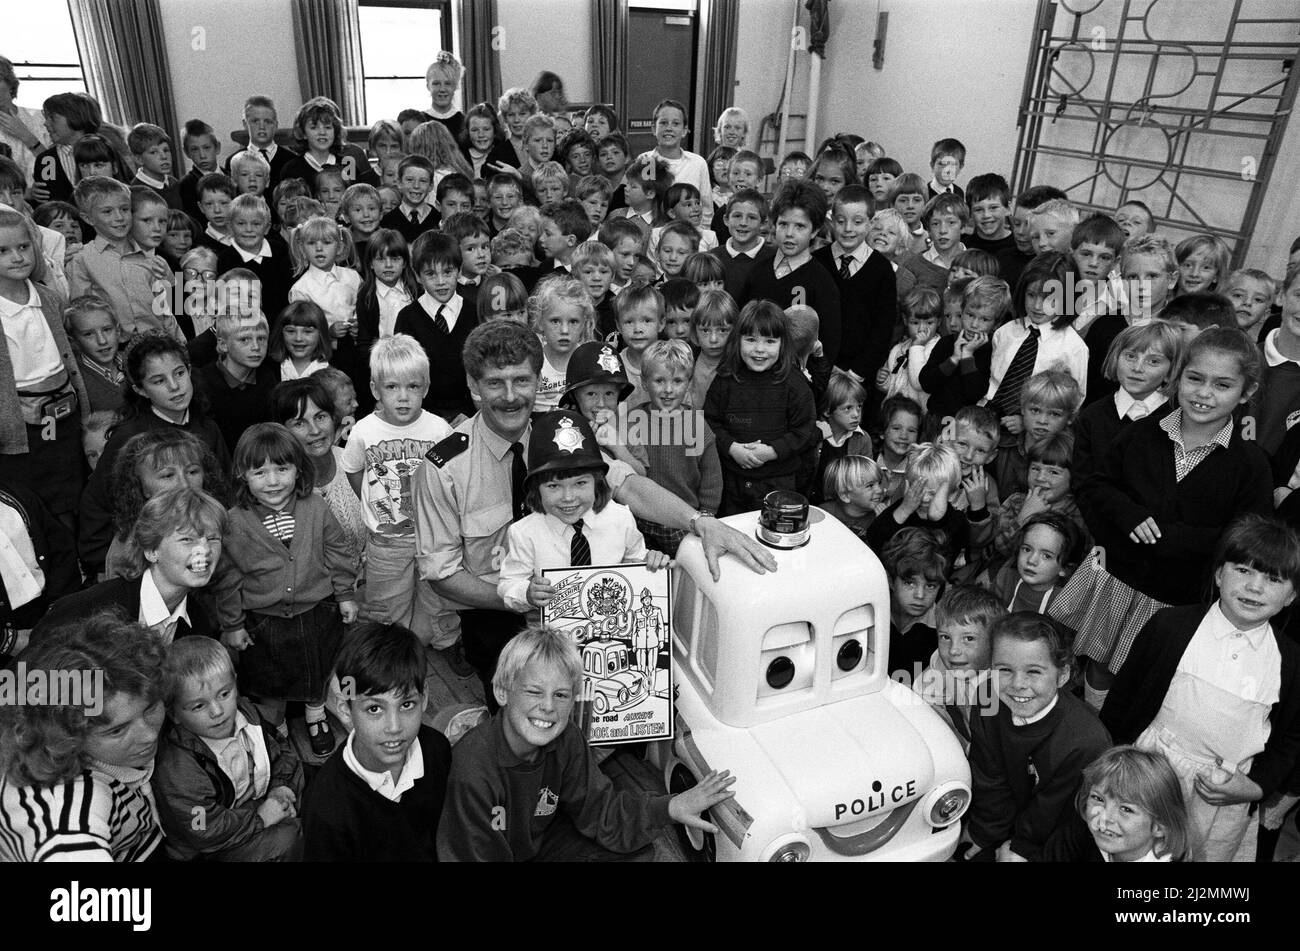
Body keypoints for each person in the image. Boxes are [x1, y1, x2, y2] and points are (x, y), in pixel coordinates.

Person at [412, 320, 777, 706]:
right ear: (472, 385)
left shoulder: (564, 433)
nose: (510, 396)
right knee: (517, 719)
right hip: (497, 616)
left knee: (600, 703)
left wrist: (699, 521)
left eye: (521, 381)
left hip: (588, 614)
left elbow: (627, 485)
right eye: (494, 383)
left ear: (538, 380)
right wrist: (522, 598)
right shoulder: (444, 469)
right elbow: (441, 573)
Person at [437, 622, 733, 861]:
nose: (548, 707)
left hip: (540, 841)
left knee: (639, 854)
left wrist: (670, 807)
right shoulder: (472, 772)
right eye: (534, 692)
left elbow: (601, 810)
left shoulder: (567, 738)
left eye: (561, 695)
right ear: (502, 693)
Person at [1101, 514, 1300, 861]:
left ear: (1291, 596)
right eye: (1243, 570)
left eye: (1272, 579)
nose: (1255, 587)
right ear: (1219, 573)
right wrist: (1111, 761)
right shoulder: (1169, 627)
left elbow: (1292, 737)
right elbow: (1122, 700)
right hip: (1148, 775)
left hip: (1221, 799)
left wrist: (1255, 787)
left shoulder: (1291, 661)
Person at [214, 424, 359, 757]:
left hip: (317, 610)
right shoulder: (234, 521)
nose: (273, 480)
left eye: (282, 469)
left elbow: (337, 550)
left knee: (318, 668)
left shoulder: (315, 507)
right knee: (270, 679)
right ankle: (275, 725)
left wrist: (346, 593)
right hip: (264, 620)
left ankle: (316, 713)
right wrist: (232, 625)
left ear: (298, 468)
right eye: (260, 471)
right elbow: (228, 577)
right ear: (242, 474)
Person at [0, 613, 167, 861]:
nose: (150, 735)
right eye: (117, 730)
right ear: (66, 734)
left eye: (150, 708)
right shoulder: (66, 821)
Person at [964, 612, 1111, 862]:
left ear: (1062, 675)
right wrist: (983, 833)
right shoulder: (987, 697)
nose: (1018, 684)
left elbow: (1055, 811)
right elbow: (988, 776)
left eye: (1033, 671)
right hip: (995, 815)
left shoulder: (1087, 742)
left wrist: (1021, 848)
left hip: (1050, 838)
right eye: (1004, 670)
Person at [341, 335, 457, 646]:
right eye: (392, 387)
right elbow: (354, 472)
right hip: (387, 541)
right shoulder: (364, 431)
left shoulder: (439, 430)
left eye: (412, 387)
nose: (403, 397)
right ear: (375, 389)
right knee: (387, 605)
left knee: (437, 599)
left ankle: (439, 643)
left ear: (426, 387)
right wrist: (374, 503)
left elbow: (450, 478)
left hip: (433, 536)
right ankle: (389, 650)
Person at [304, 621, 453, 861]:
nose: (394, 727)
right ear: (345, 709)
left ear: (424, 698)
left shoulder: (436, 749)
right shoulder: (327, 806)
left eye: (406, 705)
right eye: (374, 708)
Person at [498, 409, 670, 615]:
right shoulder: (524, 533)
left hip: (613, 628)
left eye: (580, 483)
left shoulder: (621, 518)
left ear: (597, 481)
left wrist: (650, 563)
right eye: (553, 486)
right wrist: (526, 593)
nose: (568, 497)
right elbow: (508, 584)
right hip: (554, 638)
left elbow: (635, 561)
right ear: (536, 488)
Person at [153, 636, 304, 861]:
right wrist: (261, 818)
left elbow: (283, 751)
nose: (217, 711)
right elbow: (203, 828)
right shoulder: (178, 767)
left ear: (236, 685)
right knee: (288, 839)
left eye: (224, 694)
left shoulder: (251, 715)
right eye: (198, 706)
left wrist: (282, 790)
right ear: (174, 714)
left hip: (254, 808)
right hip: (208, 848)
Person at [704, 299, 817, 516]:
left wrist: (772, 451)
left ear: (783, 344)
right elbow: (709, 421)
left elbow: (805, 430)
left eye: (769, 341)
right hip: (731, 480)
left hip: (779, 482)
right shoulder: (726, 378)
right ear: (737, 341)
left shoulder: (794, 383)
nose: (759, 349)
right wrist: (732, 448)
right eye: (751, 339)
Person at [628, 340, 722, 554]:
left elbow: (712, 476)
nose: (668, 390)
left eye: (678, 381)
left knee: (688, 569)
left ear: (689, 383)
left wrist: (706, 516)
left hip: (684, 519)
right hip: (642, 516)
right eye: (659, 381)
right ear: (644, 382)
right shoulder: (634, 421)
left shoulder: (695, 425)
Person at [271, 377, 366, 567]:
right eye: (299, 423)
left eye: (320, 417)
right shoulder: (274, 484)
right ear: (283, 431)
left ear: (333, 418)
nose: (314, 430)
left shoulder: (357, 464)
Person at [1041, 745, 1190, 862]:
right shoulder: (1074, 837)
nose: (1104, 818)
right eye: (1098, 799)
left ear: (1160, 826)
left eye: (1126, 809)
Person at [1072, 321, 1181, 481]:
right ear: (1116, 359)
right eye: (1130, 356)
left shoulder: (1179, 417)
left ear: (1170, 371)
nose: (1137, 368)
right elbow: (1083, 481)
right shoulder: (1092, 417)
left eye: (1153, 361)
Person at [394, 231, 477, 422]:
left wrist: (471, 413)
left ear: (459, 270)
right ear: (418, 276)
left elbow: (483, 370)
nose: (440, 282)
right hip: (424, 417)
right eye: (431, 274)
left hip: (471, 414)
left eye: (447, 272)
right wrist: (433, 419)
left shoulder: (474, 313)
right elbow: (405, 377)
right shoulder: (407, 318)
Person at [913, 584, 1004, 754]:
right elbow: (921, 694)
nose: (953, 650)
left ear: (995, 641)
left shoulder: (1003, 686)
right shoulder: (943, 662)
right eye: (945, 637)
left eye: (968, 638)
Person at [820, 455, 884, 542]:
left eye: (879, 483)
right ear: (845, 496)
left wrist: (885, 522)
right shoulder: (825, 514)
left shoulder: (880, 517)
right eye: (870, 485)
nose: (880, 490)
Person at [423, 52, 466, 141]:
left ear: (455, 86)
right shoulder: (419, 121)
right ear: (428, 86)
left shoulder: (465, 123)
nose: (442, 89)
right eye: (436, 83)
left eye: (447, 83)